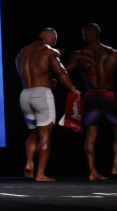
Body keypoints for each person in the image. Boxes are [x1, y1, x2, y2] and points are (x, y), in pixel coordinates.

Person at [15, 28, 80, 181]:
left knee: (33, 133)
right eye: (54, 40)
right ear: (51, 37)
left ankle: (29, 163)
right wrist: (73, 89)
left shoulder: (22, 52)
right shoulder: (49, 51)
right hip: (42, 95)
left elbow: (33, 71)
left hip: (25, 95)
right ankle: (40, 174)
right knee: (45, 134)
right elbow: (61, 72)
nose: (54, 43)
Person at [65, 23, 117, 180]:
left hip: (91, 96)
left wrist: (57, 60)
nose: (82, 37)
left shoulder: (79, 55)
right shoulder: (113, 53)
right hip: (109, 95)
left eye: (83, 34)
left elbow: (64, 72)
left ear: (88, 35)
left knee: (91, 135)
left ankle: (92, 171)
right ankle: (115, 165)